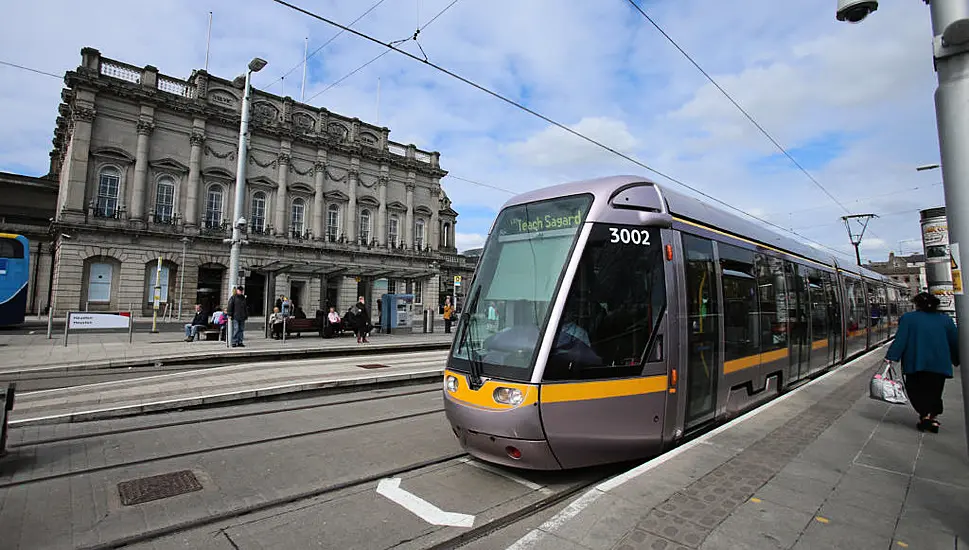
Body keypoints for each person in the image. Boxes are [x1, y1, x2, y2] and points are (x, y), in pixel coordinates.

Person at [885, 292, 960, 433]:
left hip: (915, 362)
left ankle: (925, 416)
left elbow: (901, 340)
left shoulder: (908, 318)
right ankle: (932, 417)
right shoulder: (946, 320)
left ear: (917, 304)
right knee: (935, 391)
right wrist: (956, 359)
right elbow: (954, 342)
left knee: (916, 390)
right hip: (939, 363)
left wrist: (892, 357)